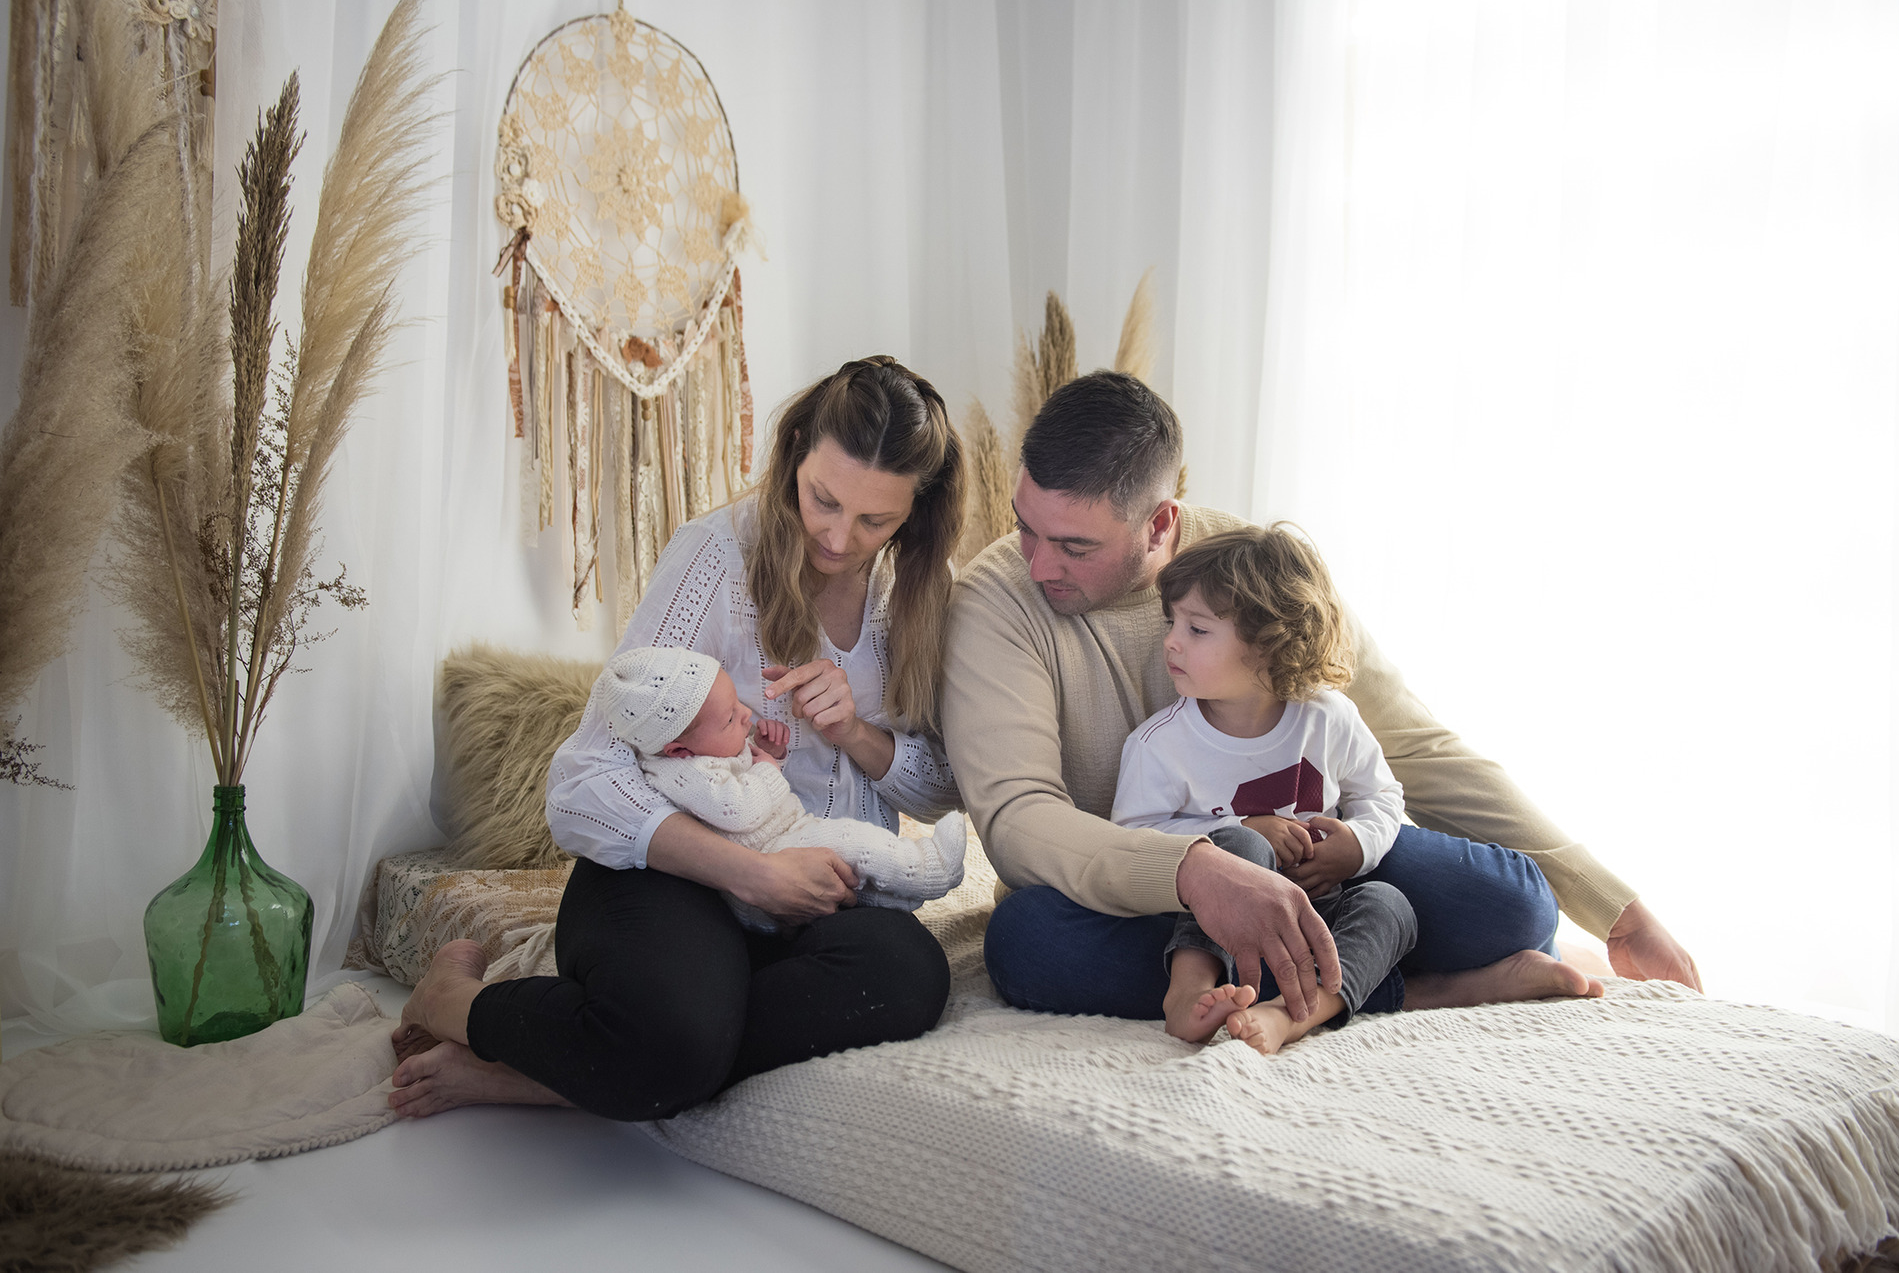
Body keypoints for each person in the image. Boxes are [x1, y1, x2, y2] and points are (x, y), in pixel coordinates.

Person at [942, 369, 1700, 1029]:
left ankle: (1335, 967)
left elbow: (1412, 744)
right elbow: (1018, 818)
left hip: (1316, 872)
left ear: (1161, 523)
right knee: (1027, 945)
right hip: (1138, 895)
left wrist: (1615, 910)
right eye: (1025, 527)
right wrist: (1198, 872)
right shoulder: (996, 600)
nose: (1037, 565)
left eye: (1074, 546)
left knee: (1519, 908)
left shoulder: (1254, 567)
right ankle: (1417, 989)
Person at [389, 356, 967, 1120]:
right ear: (795, 452)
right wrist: (753, 875)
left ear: (916, 510)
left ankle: (547, 1075)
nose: (837, 537)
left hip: (816, 895)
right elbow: (582, 781)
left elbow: (940, 789)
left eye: (875, 522)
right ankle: (456, 1003)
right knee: (675, 1039)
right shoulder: (715, 557)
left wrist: (857, 733)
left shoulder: (917, 593)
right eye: (823, 499)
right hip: (675, 877)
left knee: (910, 974)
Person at [1121, 523, 1599, 1055]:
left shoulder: (1327, 717)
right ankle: (1188, 991)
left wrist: (1357, 845)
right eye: (1172, 622)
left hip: (1321, 914)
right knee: (1239, 848)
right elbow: (1133, 839)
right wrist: (1241, 828)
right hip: (1224, 926)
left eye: (1197, 629)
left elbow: (1381, 797)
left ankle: (1292, 1014)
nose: (1171, 640)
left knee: (1390, 904)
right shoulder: (1160, 745)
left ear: (1269, 643)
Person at [598, 643, 967, 932]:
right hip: (770, 859)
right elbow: (739, 810)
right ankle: (933, 867)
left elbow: (741, 776)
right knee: (853, 842)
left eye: (736, 702)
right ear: (678, 750)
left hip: (787, 837)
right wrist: (768, 769)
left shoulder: (701, 749)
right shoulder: (681, 773)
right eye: (730, 718)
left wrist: (767, 751)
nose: (746, 714)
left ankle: (899, 899)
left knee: (852, 875)